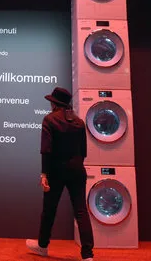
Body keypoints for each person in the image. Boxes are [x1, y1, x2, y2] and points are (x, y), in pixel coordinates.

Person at [26, 87, 94, 261]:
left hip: (56, 170)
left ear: (54, 104)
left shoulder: (49, 120)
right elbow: (83, 151)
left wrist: (44, 174)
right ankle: (88, 255)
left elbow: (46, 150)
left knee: (49, 209)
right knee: (81, 210)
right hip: (78, 169)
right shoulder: (79, 122)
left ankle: (42, 246)